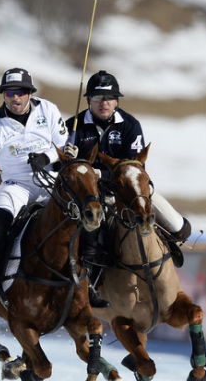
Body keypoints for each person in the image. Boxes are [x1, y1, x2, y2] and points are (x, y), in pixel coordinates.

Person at [64, 70, 192, 307]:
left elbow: (134, 167)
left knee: (178, 227)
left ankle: (169, 247)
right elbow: (64, 170)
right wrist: (69, 160)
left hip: (127, 190)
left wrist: (97, 172)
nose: (104, 103)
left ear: (116, 101)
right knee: (91, 233)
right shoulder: (73, 126)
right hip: (91, 195)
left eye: (109, 98)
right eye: (98, 97)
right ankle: (88, 282)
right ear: (88, 99)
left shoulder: (130, 125)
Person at [0, 67, 69, 308]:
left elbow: (65, 145)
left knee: (82, 215)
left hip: (49, 181)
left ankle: (92, 278)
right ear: (4, 95)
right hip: (14, 185)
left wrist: (46, 157)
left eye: (21, 92)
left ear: (30, 94)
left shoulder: (48, 110)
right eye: (10, 92)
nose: (15, 97)